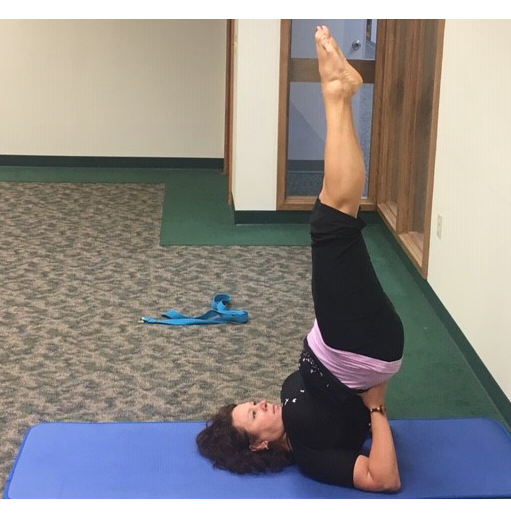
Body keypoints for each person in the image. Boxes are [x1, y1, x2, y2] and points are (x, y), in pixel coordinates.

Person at [194, 26, 403, 493]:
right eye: (253, 415)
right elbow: (383, 479)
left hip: (343, 337)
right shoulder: (310, 454)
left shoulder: (293, 415)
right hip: (358, 347)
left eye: (250, 403)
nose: (260, 403)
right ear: (259, 446)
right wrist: (377, 408)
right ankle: (338, 94)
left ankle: (340, 95)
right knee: (331, 223)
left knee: (333, 219)